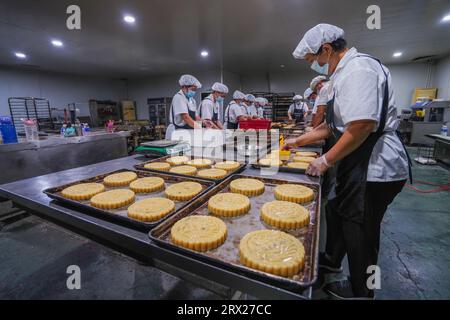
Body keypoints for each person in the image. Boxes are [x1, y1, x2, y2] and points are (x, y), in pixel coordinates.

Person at [286, 23, 411, 299]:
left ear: (327, 49)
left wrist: (325, 160)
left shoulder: (358, 70)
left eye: (314, 59)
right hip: (358, 161)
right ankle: (331, 260)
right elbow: (333, 126)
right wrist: (299, 141)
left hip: (376, 166)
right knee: (339, 211)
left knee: (362, 232)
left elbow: (362, 126)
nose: (315, 65)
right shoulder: (341, 75)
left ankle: (362, 291)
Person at [165, 74, 202, 139]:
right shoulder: (179, 97)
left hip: (187, 131)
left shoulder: (192, 100)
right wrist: (199, 128)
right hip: (177, 131)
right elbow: (185, 117)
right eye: (193, 89)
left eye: (195, 90)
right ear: (184, 87)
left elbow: (196, 116)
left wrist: (203, 123)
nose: (194, 92)